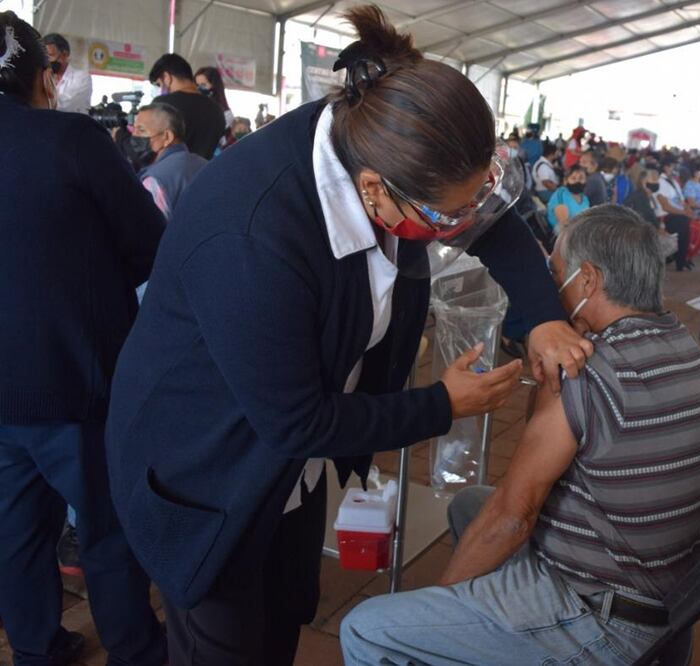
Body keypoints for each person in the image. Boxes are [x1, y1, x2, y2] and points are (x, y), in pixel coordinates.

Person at [105, 8, 593, 664]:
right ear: (372, 192)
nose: (460, 224)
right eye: (445, 216)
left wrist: (542, 315)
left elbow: (491, 221)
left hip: (287, 469)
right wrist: (442, 405)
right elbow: (297, 422)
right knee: (224, 638)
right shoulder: (253, 234)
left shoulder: (381, 147)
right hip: (208, 469)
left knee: (280, 618)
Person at [340, 205, 700, 665]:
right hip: (663, 594)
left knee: (368, 630)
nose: (547, 287)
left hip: (604, 615)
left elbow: (513, 516)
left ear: (587, 281)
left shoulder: (587, 369)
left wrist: (436, 611)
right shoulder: (682, 343)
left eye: (554, 273)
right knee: (469, 506)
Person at [0, 12, 167, 664]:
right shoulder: (70, 138)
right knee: (106, 524)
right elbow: (147, 244)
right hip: (76, 375)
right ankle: (132, 646)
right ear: (43, 75)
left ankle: (37, 648)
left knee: (15, 528)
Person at [131, 102, 208, 221]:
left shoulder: (154, 180)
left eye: (141, 130)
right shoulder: (204, 164)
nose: (134, 135)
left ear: (167, 137)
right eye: (134, 129)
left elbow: (147, 230)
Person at [147, 53, 226, 160]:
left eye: (159, 84)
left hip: (169, 174)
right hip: (203, 173)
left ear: (166, 77)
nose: (161, 89)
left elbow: (149, 147)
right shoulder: (217, 110)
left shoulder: (163, 104)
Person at [657, 154, 694, 271]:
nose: (675, 169)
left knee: (692, 223)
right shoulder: (660, 182)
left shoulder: (674, 181)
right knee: (683, 224)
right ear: (666, 167)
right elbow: (665, 206)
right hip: (665, 216)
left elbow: (682, 200)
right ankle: (680, 261)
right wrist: (684, 213)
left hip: (677, 213)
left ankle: (684, 258)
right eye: (673, 166)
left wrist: (689, 211)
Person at [41, 32, 91, 114]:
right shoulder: (43, 77)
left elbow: (63, 105)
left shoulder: (82, 77)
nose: (47, 61)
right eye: (45, 57)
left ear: (65, 54)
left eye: (50, 55)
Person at [194, 66, 235, 151]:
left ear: (214, 86)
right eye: (196, 85)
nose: (199, 89)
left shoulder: (226, 114)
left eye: (203, 85)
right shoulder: (193, 107)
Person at [546, 164, 590, 234]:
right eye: (573, 178)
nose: (577, 181)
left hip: (579, 230)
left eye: (581, 178)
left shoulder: (585, 198)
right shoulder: (560, 194)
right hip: (562, 233)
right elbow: (564, 223)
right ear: (565, 181)